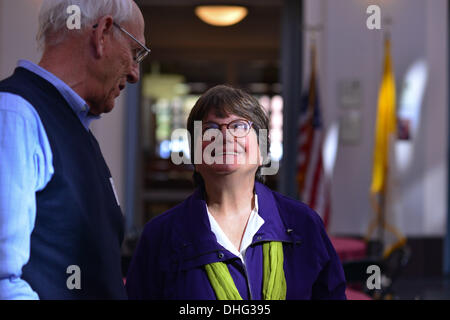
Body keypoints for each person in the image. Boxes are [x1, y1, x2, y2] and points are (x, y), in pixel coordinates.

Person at [126, 85, 346, 300]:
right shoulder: (160, 236)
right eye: (210, 128)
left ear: (262, 152)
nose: (224, 135)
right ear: (194, 156)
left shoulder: (303, 224)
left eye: (239, 126)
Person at [0, 0, 150, 299]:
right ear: (103, 33)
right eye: (135, 53)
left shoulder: (74, 126)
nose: (134, 73)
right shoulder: (14, 114)